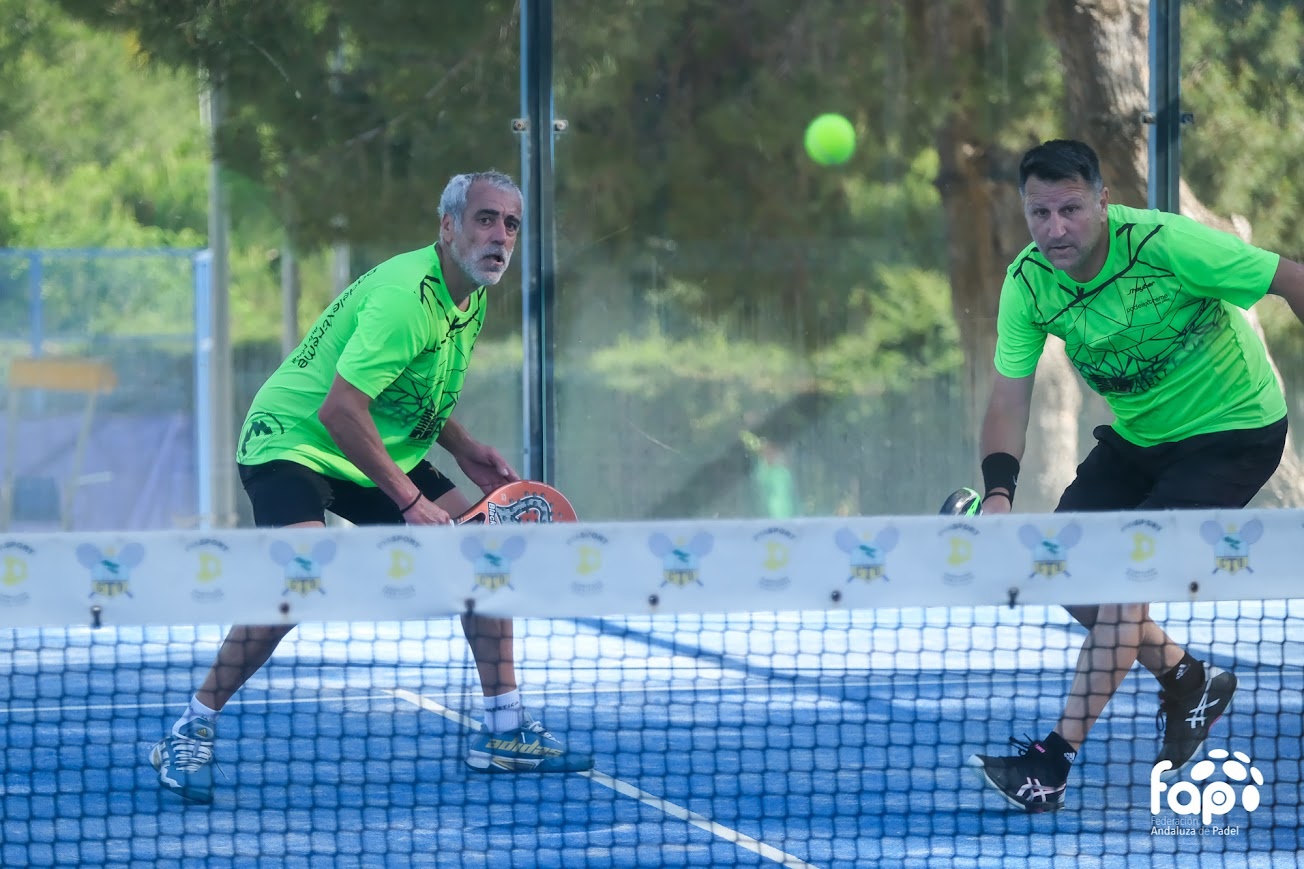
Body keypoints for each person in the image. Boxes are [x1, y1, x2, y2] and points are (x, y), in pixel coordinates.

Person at [149, 170, 593, 803]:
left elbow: (410, 388)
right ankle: (190, 730)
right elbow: (338, 409)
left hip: (374, 440)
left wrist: (464, 449)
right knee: (295, 586)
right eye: (486, 219)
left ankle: (504, 730)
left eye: (511, 224)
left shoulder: (471, 297)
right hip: (293, 439)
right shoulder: (404, 298)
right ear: (449, 228)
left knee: (483, 559)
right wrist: (411, 502)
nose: (500, 236)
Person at [967, 139, 1304, 813]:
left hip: (1230, 430)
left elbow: (1292, 280)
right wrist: (999, 494)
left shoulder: (1168, 244)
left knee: (1127, 577)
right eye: (1039, 213)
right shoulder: (1029, 282)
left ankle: (1050, 764)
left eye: (1069, 209)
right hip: (1139, 436)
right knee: (1063, 567)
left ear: (1102, 201)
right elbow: (1008, 396)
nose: (1055, 228)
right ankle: (1188, 678)